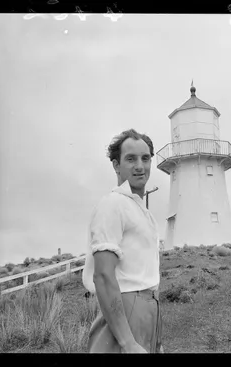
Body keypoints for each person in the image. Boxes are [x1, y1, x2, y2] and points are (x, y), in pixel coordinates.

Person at [82, 129, 163, 353]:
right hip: (124, 314)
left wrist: (157, 340)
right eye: (131, 159)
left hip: (149, 310)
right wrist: (127, 342)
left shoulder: (140, 210)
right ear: (116, 165)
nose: (140, 166)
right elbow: (104, 276)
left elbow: (147, 276)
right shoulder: (113, 204)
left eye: (145, 158)